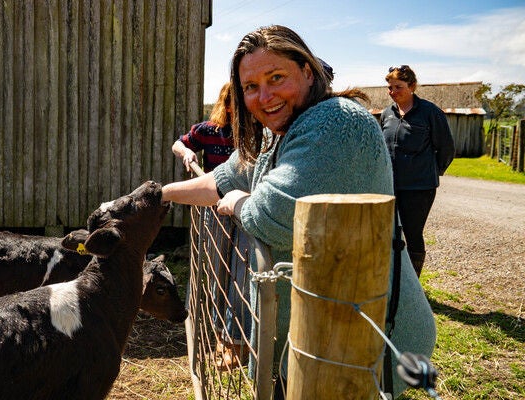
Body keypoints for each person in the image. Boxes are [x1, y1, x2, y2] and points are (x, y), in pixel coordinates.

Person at [161, 25, 436, 398]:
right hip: (317, 333)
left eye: (277, 77)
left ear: (307, 71)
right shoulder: (284, 131)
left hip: (361, 338)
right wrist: (158, 196)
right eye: (251, 86)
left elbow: (275, 216)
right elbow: (221, 179)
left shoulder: (336, 124)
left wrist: (241, 201)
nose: (265, 95)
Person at [171, 82, 251, 369]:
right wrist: (187, 154)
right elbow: (179, 143)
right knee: (216, 269)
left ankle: (236, 340)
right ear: (226, 104)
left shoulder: (255, 131)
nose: (239, 110)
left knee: (240, 275)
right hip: (214, 208)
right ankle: (217, 332)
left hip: (243, 208)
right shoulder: (208, 130)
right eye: (234, 104)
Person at [381, 65, 454, 277]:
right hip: (390, 186)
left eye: (398, 86)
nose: (393, 91)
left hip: (419, 188)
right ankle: (394, 282)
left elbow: (446, 148)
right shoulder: (387, 114)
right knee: (390, 233)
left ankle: (413, 285)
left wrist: (430, 171)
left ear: (412, 86)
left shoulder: (430, 112)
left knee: (412, 233)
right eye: (390, 87)